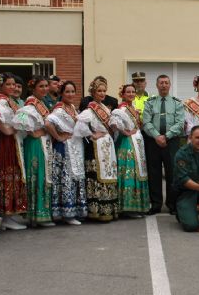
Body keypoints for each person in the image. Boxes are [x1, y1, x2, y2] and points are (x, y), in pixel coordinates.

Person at [75, 77, 119, 221]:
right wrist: (92, 134)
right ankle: (97, 210)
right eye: (99, 91)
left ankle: (108, 209)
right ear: (93, 93)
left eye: (104, 91)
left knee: (109, 173)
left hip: (107, 144)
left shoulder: (105, 108)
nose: (102, 93)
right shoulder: (90, 109)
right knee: (98, 176)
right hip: (97, 146)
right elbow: (80, 124)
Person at [13, 76, 55, 227]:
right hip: (36, 144)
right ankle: (36, 215)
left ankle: (42, 214)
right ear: (33, 88)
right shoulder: (30, 104)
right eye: (41, 86)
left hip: (44, 142)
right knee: (37, 176)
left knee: (44, 176)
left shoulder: (41, 103)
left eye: (46, 86)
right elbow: (19, 119)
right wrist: (32, 132)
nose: (45, 89)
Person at [142, 75, 184, 215]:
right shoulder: (150, 102)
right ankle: (155, 204)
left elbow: (180, 123)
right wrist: (157, 136)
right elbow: (146, 122)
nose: (164, 85)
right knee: (154, 173)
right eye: (161, 83)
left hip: (171, 141)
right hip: (153, 142)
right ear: (157, 85)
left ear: (170, 85)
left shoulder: (177, 103)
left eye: (166, 83)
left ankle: (172, 204)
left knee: (172, 172)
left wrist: (166, 136)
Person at [0, 73, 28, 231]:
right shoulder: (1, 100)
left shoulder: (8, 100)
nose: (12, 87)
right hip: (5, 142)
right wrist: (8, 130)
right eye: (9, 84)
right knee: (8, 174)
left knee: (13, 175)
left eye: (14, 84)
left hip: (11, 141)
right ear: (1, 85)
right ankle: (6, 215)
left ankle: (9, 215)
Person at [46, 81, 87, 225]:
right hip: (65, 148)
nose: (70, 94)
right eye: (67, 92)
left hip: (75, 146)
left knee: (75, 178)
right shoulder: (59, 109)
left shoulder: (72, 108)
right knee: (66, 178)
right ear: (62, 93)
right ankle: (66, 213)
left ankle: (74, 211)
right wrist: (58, 137)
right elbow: (48, 123)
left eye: (72, 91)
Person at [110, 83, 151, 217]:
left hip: (137, 142)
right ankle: (127, 208)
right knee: (130, 171)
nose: (131, 94)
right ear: (122, 94)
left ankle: (134, 207)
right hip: (127, 144)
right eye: (128, 92)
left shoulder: (132, 107)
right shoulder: (122, 108)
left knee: (137, 171)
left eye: (133, 92)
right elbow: (114, 123)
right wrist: (125, 131)